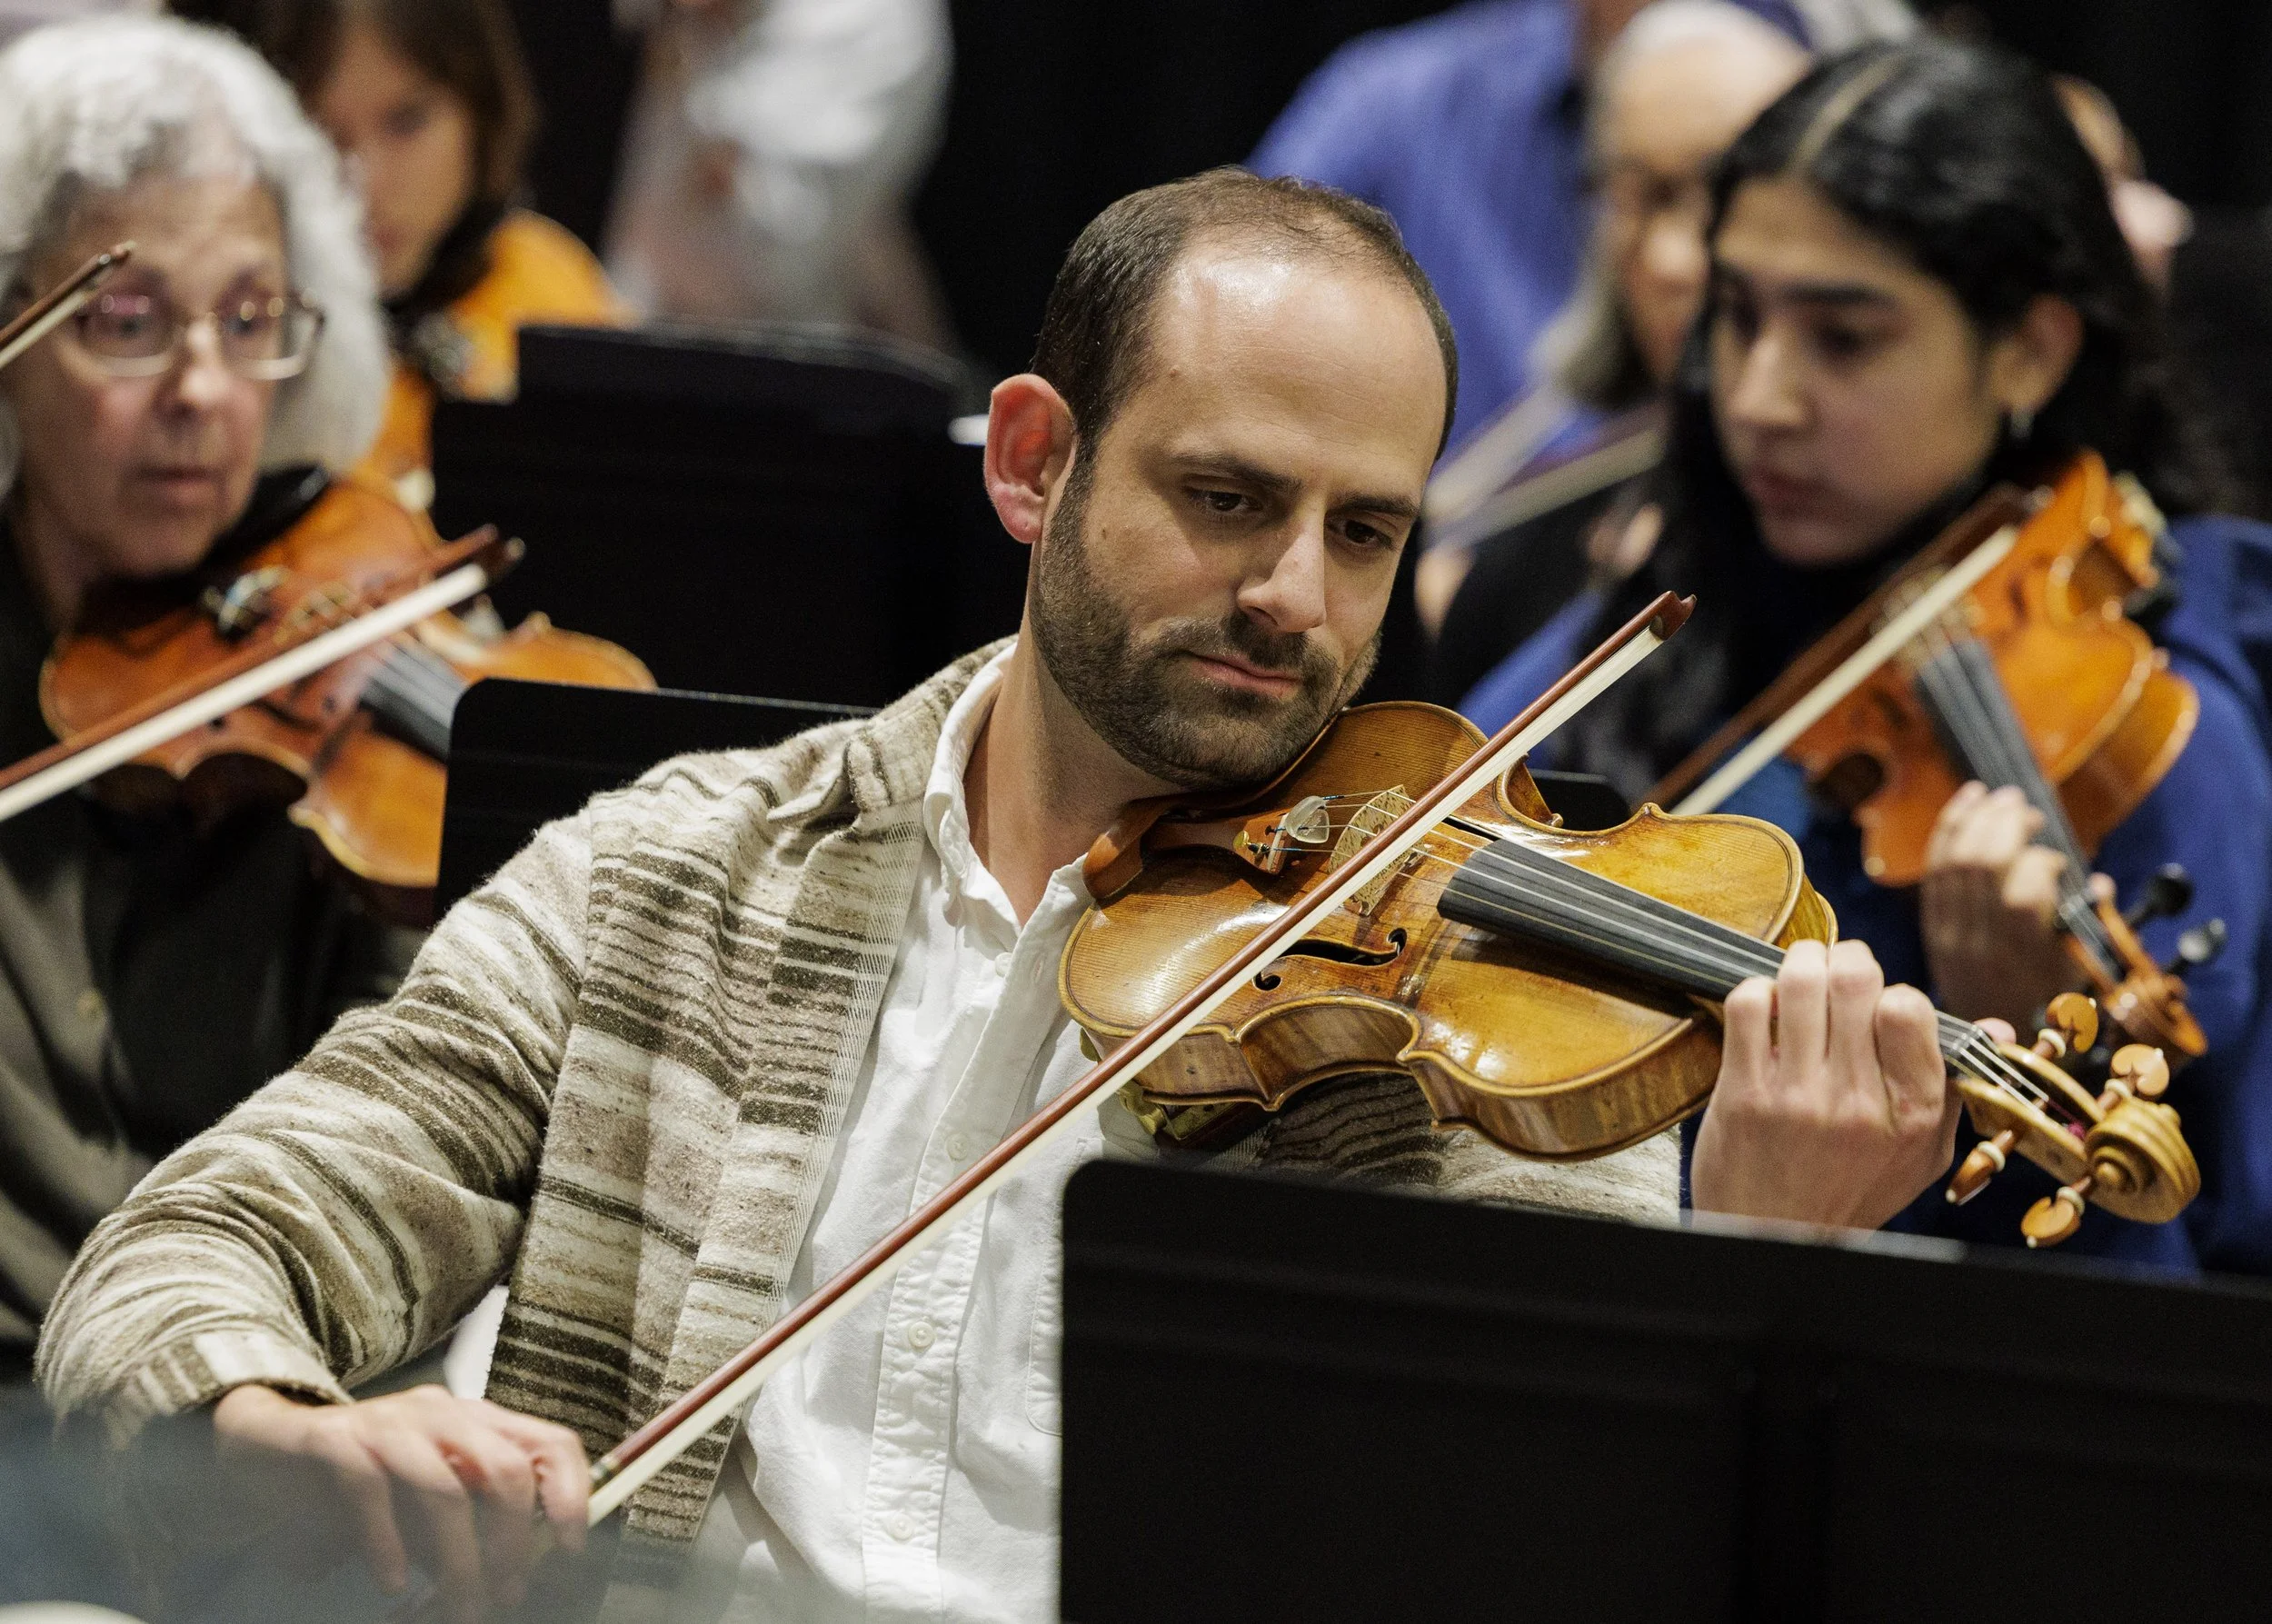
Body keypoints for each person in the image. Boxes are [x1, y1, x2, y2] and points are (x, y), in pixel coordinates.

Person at [39, 168, 1968, 1621]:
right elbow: (182, 1251)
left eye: (1360, 529)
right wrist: (284, 1420)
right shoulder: (677, 869)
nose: (1297, 596)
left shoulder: (1443, 1017)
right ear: (1035, 461)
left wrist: (1753, 1269)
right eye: (1227, 498)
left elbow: (1558, 1550)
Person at [1463, 39, 2272, 1270]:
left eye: (1844, 338)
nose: (1761, 396)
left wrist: (2002, 1023)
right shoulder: (1691, 591)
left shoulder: (2161, 710)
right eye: (1737, 318)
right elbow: (1451, 806)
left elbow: (2160, 1296)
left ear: (2032, 350)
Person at [0, 12, 420, 1600]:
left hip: (256, 1449)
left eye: (251, 320)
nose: (201, 387)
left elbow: (407, 1150)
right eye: (126, 320)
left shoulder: (351, 690)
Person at [1247, 0, 1900, 452]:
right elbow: (1234, 308)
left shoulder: (1851, 79)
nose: (1675, 262)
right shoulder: (1399, 101)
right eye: (1638, 197)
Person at [1420, 0, 1809, 704]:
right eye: (1639, 198)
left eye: (1716, 194)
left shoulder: (1831, 515)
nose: (1669, 260)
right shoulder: (1524, 563)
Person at [172, 0, 631, 509]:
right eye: (319, 132)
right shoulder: (234, 328)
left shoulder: (543, 277)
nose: (368, 183)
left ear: (480, 112)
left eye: (406, 121)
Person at [603, 0, 955, 349]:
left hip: (799, 363)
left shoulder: (876, 17)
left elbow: (762, 264)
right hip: (644, 338)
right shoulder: (692, 18)